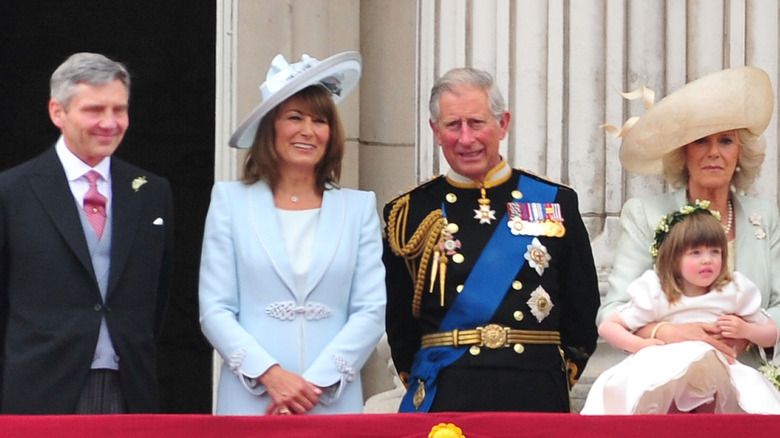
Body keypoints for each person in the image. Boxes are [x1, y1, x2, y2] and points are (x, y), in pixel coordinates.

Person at [383, 67, 600, 413]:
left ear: (503, 123)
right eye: (453, 125)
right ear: (435, 131)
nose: (466, 139)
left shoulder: (553, 200)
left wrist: (561, 372)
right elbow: (400, 322)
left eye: (477, 123)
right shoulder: (409, 212)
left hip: (534, 389)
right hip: (447, 391)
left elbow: (581, 305)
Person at [199, 51, 386, 416]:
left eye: (319, 120)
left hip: (332, 400)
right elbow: (216, 309)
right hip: (253, 399)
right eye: (294, 117)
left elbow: (370, 310)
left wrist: (313, 385)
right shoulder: (230, 202)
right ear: (271, 127)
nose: (307, 131)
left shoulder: (358, 208)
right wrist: (271, 376)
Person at [0, 52, 174, 414]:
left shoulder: (152, 191)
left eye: (119, 110)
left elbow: (159, 296)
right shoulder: (12, 191)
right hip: (39, 390)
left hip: (130, 389)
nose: (110, 123)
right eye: (94, 110)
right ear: (57, 112)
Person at [599, 66, 780, 368]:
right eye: (700, 141)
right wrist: (668, 331)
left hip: (747, 377)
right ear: (682, 152)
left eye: (725, 140)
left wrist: (747, 333)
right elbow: (613, 311)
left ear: (740, 152)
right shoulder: (646, 214)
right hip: (668, 374)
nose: (713, 152)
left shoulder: (765, 216)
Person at [582, 202, 780, 414]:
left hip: (717, 376)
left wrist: (746, 331)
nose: (707, 260)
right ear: (673, 259)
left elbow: (772, 333)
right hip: (663, 373)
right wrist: (641, 345)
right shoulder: (659, 292)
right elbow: (608, 326)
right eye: (695, 253)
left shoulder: (733, 290)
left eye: (715, 252)